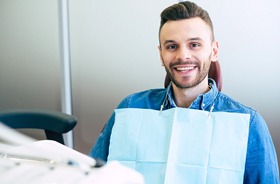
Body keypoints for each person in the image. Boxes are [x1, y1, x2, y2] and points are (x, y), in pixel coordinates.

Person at [89, 1, 279, 183]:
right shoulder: (131, 108)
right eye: (172, 46)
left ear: (214, 51)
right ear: (161, 54)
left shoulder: (247, 123)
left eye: (194, 44)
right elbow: (92, 174)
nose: (183, 56)